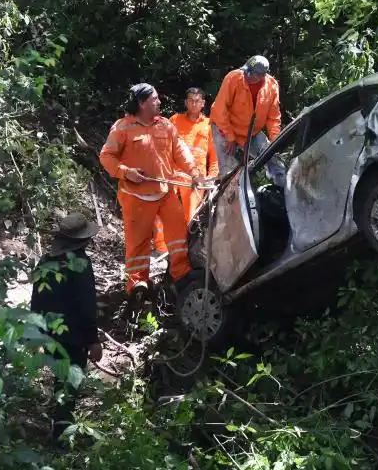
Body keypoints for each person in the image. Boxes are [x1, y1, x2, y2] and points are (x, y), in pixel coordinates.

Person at [99, 83, 200, 296]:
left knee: (179, 236)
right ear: (142, 103)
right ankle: (137, 285)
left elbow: (180, 150)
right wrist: (125, 172)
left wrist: (194, 171)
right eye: (155, 99)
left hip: (165, 192)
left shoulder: (165, 125)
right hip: (136, 196)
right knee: (138, 243)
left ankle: (180, 275)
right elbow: (106, 156)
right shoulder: (123, 127)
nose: (160, 102)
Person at [29, 212, 103, 439]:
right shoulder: (80, 264)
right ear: (81, 241)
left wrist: (38, 332)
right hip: (74, 335)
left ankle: (56, 423)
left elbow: (37, 298)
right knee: (71, 381)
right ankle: (61, 433)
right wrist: (93, 340)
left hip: (51, 333)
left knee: (60, 377)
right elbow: (87, 303)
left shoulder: (45, 261)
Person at [152, 87, 219, 249]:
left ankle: (184, 250)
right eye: (190, 100)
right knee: (161, 209)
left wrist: (212, 176)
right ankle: (161, 249)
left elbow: (214, 156)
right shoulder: (175, 120)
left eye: (197, 100)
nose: (194, 104)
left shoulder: (209, 126)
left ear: (203, 103)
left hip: (196, 179)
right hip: (173, 174)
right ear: (185, 102)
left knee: (191, 215)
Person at [210, 55, 286, 187]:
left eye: (252, 74)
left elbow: (273, 117)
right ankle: (230, 197)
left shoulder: (272, 86)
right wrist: (229, 136)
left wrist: (275, 141)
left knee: (274, 160)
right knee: (230, 173)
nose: (247, 75)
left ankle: (284, 190)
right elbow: (219, 109)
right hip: (224, 128)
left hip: (252, 133)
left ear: (262, 76)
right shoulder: (233, 78)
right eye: (247, 70)